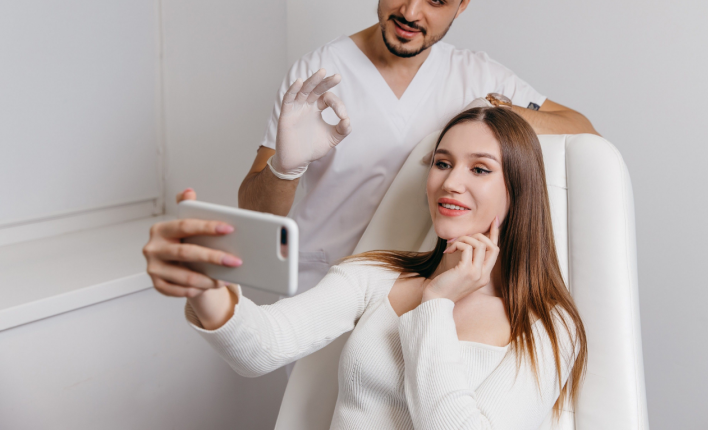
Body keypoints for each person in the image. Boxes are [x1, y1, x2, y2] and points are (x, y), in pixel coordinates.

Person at [143, 105, 588, 429]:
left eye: (480, 169)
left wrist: (435, 305)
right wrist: (203, 285)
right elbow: (261, 346)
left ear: (519, 191)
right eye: (442, 163)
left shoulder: (549, 327)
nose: (451, 182)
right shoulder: (375, 276)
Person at [237, 0, 599, 293]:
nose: (410, 12)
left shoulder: (476, 76)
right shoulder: (318, 74)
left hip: (417, 300)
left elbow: (582, 130)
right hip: (318, 289)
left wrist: (491, 112)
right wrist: (284, 169)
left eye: (436, 0)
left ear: (464, 3)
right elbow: (255, 214)